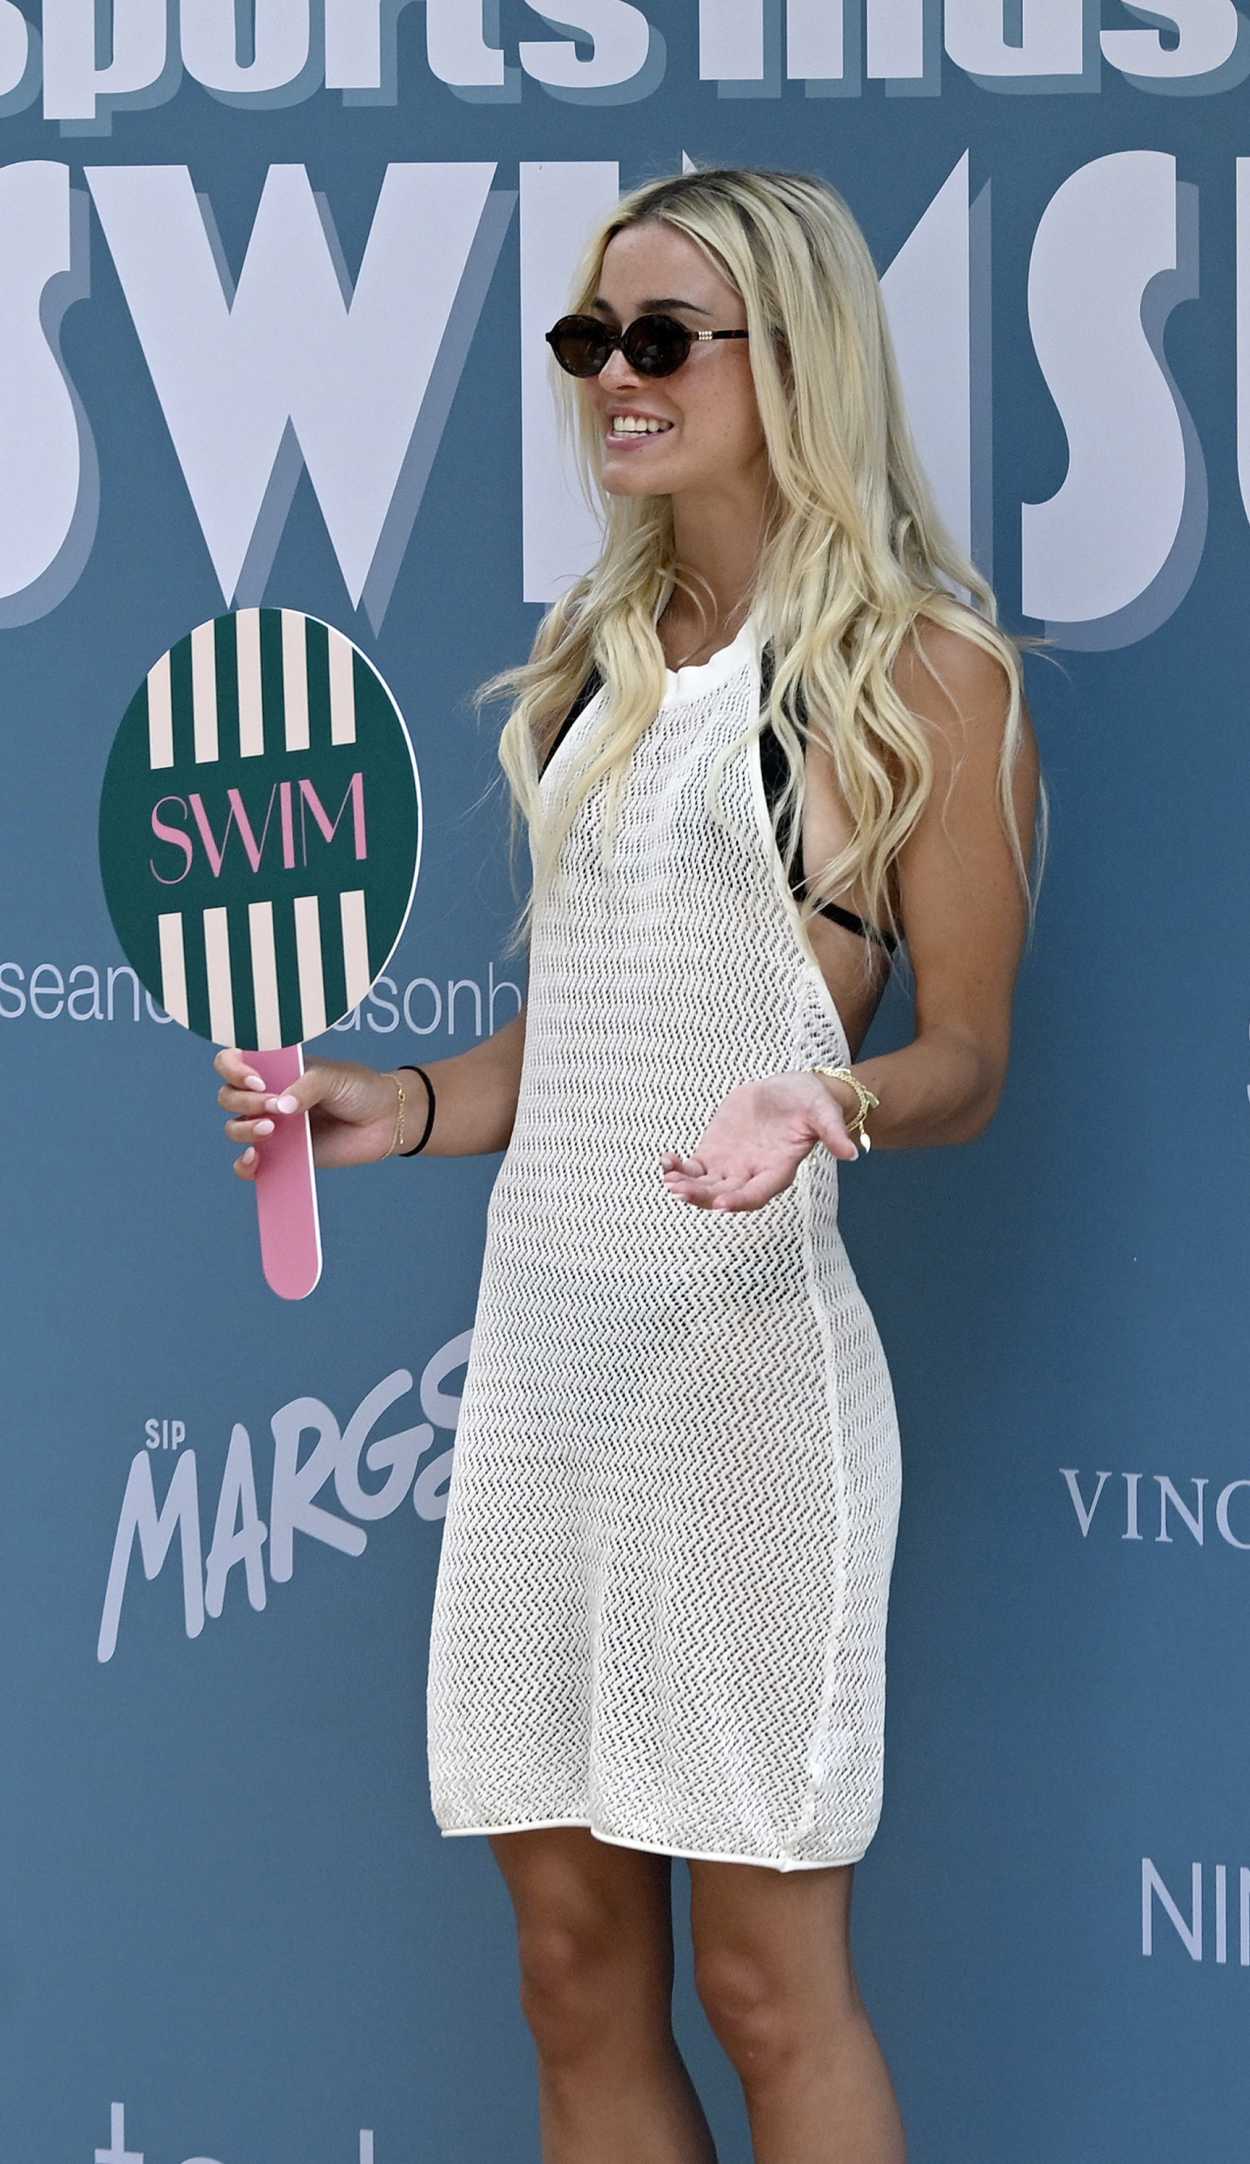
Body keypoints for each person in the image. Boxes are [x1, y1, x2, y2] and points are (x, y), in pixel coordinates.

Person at [214, 165, 1045, 2164]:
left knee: (765, 1985)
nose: (610, 376)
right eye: (589, 337)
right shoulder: (596, 656)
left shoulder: (927, 673)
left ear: (794, 358)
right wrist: (402, 1104)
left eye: (659, 336)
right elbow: (587, 1034)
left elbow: (965, 1057)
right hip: (548, 1378)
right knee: (570, 1967)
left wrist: (829, 1103)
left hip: (745, 1383)